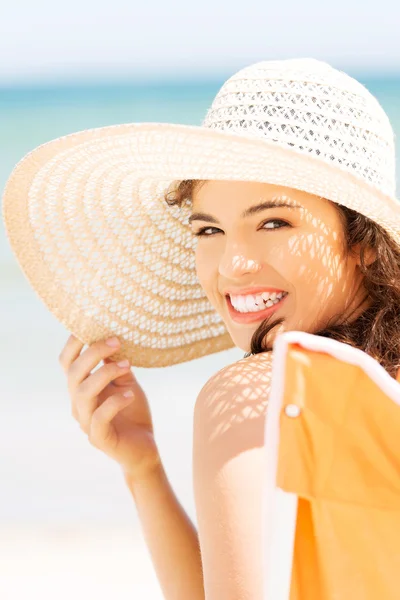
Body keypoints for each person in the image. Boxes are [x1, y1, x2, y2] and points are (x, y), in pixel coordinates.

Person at [2, 58, 400, 599]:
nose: (232, 264)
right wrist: (144, 469)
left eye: (273, 222)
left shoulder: (254, 397)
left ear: (362, 240)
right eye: (209, 229)